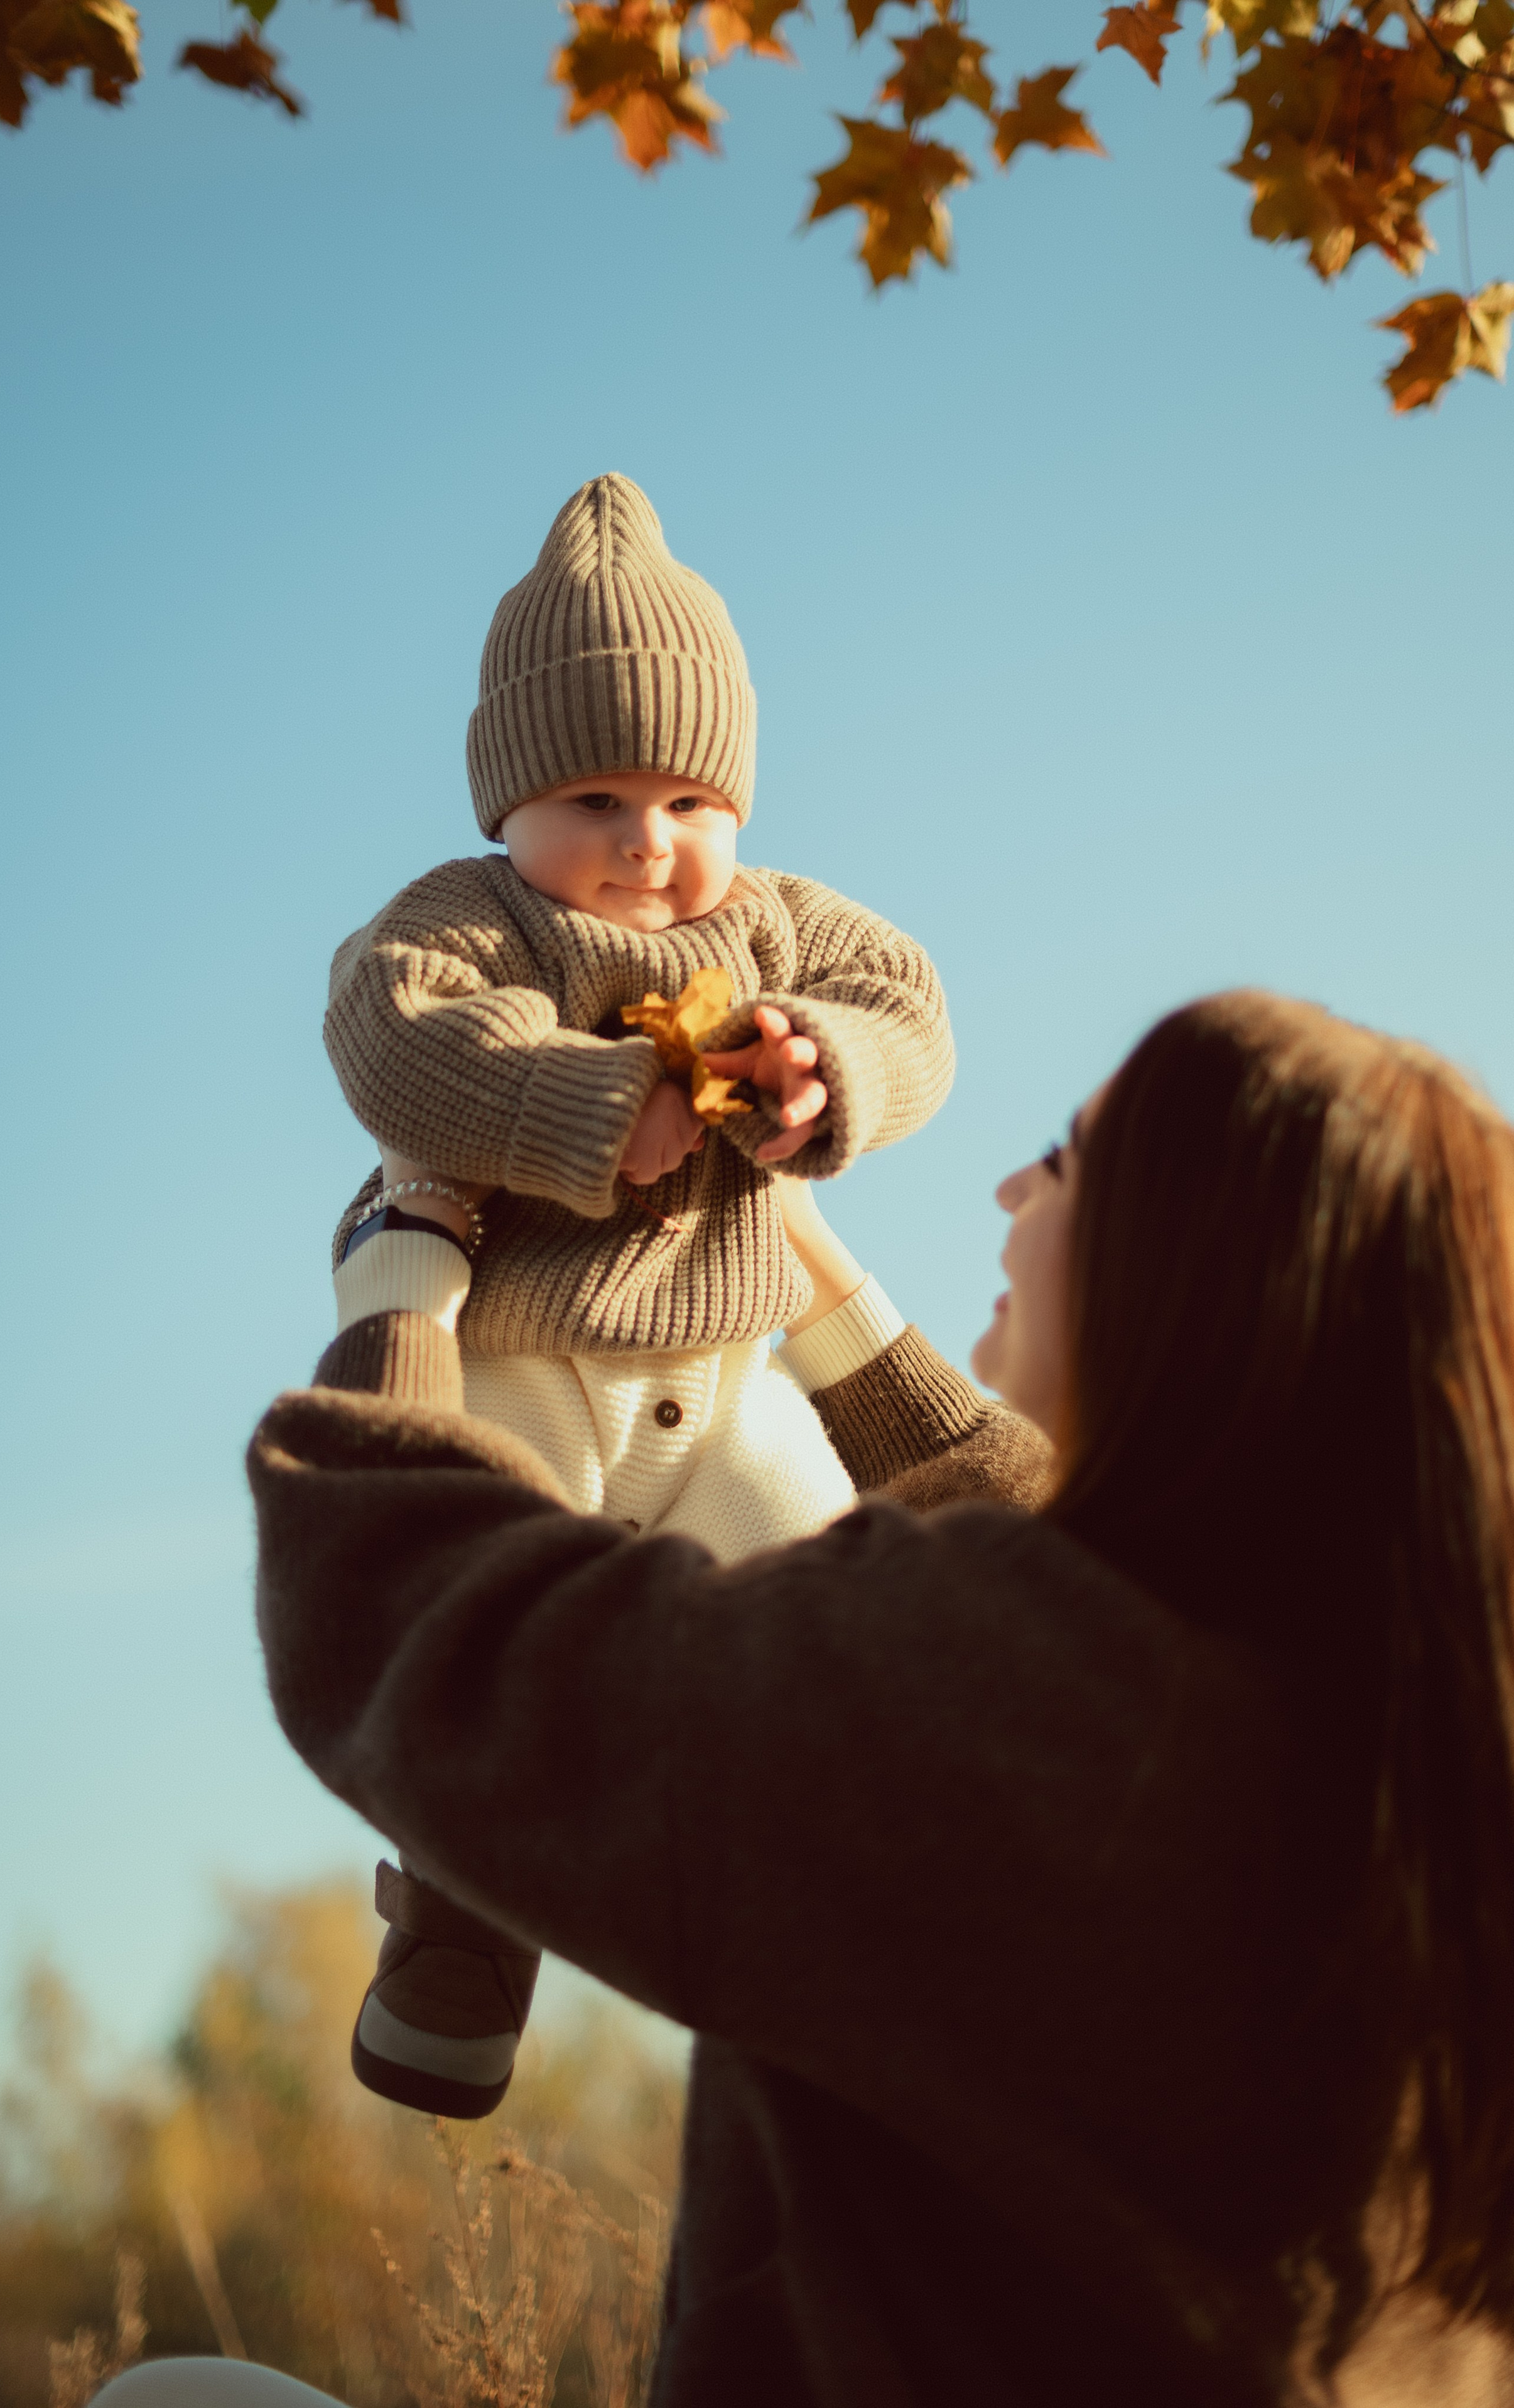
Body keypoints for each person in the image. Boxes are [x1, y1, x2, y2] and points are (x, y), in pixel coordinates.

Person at [250, 988, 1514, 2404]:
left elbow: (435, 1634)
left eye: (1066, 1157)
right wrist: (782, 1250)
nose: (1007, 1184)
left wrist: (402, 1280)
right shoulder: (1417, 1749)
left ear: (1188, 1270)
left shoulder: (1000, 1699)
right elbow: (1050, 1521)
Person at [322, 471, 954, 2116]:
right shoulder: (472, 924)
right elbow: (394, 1042)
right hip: (535, 1373)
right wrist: (589, 1105)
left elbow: (911, 1007)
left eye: (685, 801)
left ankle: (896, 1923)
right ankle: (456, 1946)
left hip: (731, 1382)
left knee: (847, 1620)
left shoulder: (778, 926)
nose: (644, 843)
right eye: (593, 797)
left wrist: (831, 1075)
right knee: (507, 1650)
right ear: (506, 810)